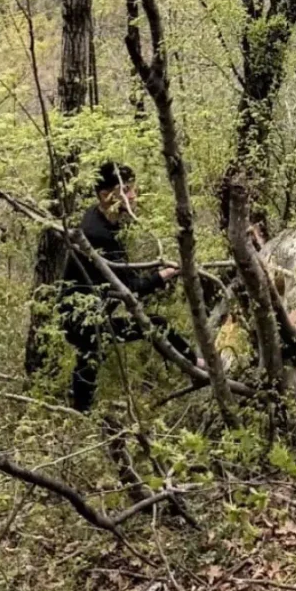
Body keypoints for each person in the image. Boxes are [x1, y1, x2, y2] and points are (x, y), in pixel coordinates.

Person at [60, 161, 203, 412]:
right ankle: (197, 366)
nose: (133, 196)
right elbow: (130, 288)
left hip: (83, 313)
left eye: (132, 188)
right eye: (125, 190)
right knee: (154, 325)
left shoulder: (103, 221)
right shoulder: (98, 234)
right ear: (105, 195)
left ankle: (79, 412)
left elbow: (121, 275)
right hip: (81, 318)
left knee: (90, 355)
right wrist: (164, 275)